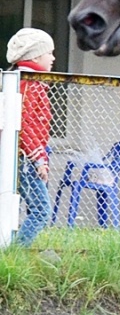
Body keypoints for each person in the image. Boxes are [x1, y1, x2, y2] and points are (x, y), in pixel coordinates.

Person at [6, 28, 55, 247]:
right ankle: (16, 251)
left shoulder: (25, 81)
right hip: (25, 158)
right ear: (35, 56)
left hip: (24, 156)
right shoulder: (31, 84)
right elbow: (24, 124)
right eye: (49, 53)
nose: (53, 58)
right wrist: (38, 158)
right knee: (41, 210)